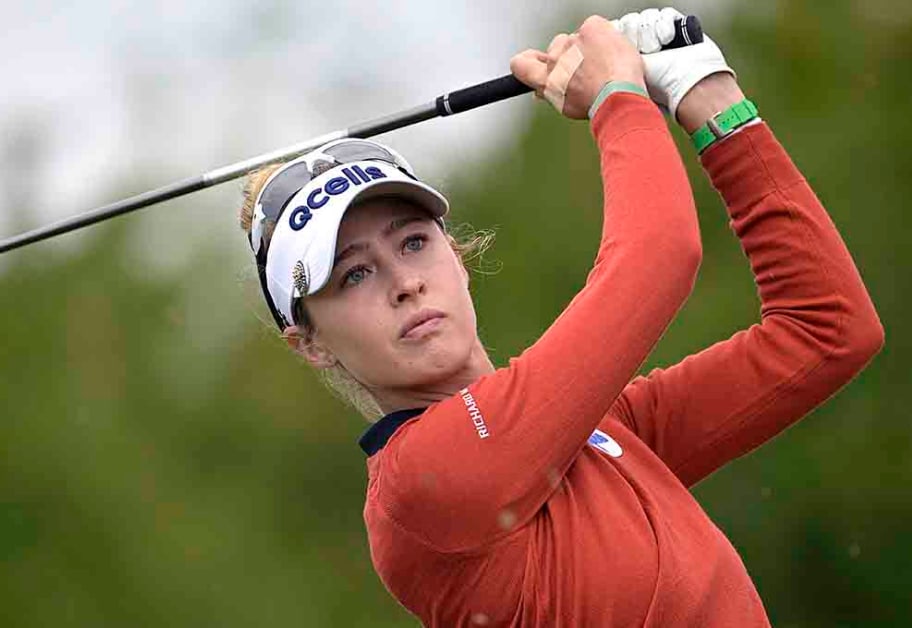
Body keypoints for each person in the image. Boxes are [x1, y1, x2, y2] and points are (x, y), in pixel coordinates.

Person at [237, 8, 882, 627]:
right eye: (354, 274)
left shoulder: (603, 434)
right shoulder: (423, 482)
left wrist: (708, 96)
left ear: (456, 257)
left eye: (413, 243)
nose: (405, 283)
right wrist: (618, 97)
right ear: (311, 344)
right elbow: (658, 256)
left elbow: (827, 330)